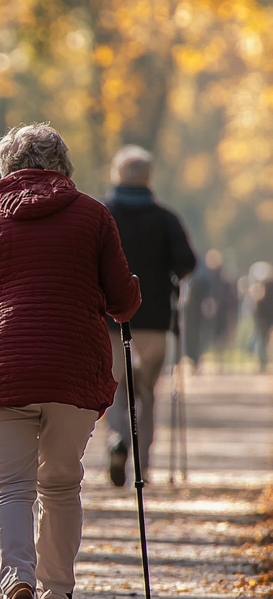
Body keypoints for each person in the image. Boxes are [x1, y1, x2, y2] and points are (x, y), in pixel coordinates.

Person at [0, 123, 140, 599]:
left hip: (2, 366)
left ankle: (17, 591)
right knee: (60, 485)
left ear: (6, 167)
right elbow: (123, 302)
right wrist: (131, 291)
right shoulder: (95, 215)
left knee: (9, 486)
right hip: (73, 368)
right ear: (64, 166)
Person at [102, 146, 196, 487]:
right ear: (148, 178)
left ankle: (118, 439)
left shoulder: (102, 213)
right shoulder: (165, 218)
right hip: (154, 318)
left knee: (113, 388)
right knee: (146, 390)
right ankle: (142, 463)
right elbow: (186, 263)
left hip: (110, 319)